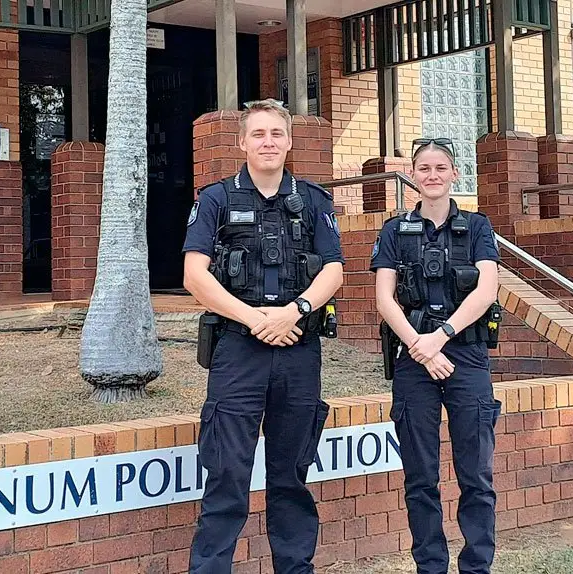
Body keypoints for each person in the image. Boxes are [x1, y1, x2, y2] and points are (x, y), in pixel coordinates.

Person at [182, 98, 344, 574]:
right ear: (242, 143)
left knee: (291, 479)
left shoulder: (314, 201)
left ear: (289, 141)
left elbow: (334, 270)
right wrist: (256, 319)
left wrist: (295, 311)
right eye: (258, 134)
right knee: (227, 477)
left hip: (298, 350)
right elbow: (194, 275)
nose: (268, 142)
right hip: (238, 351)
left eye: (276, 133)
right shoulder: (215, 200)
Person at [371, 137, 503, 574]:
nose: (432, 175)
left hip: (466, 356)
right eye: (424, 168)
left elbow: (487, 289)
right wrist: (422, 348)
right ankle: (430, 567)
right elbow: (385, 299)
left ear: (454, 174)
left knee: (476, 476)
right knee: (420, 477)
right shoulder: (393, 231)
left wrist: (441, 335)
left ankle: (477, 567)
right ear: (412, 176)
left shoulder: (478, 227)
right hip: (414, 359)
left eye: (440, 167)